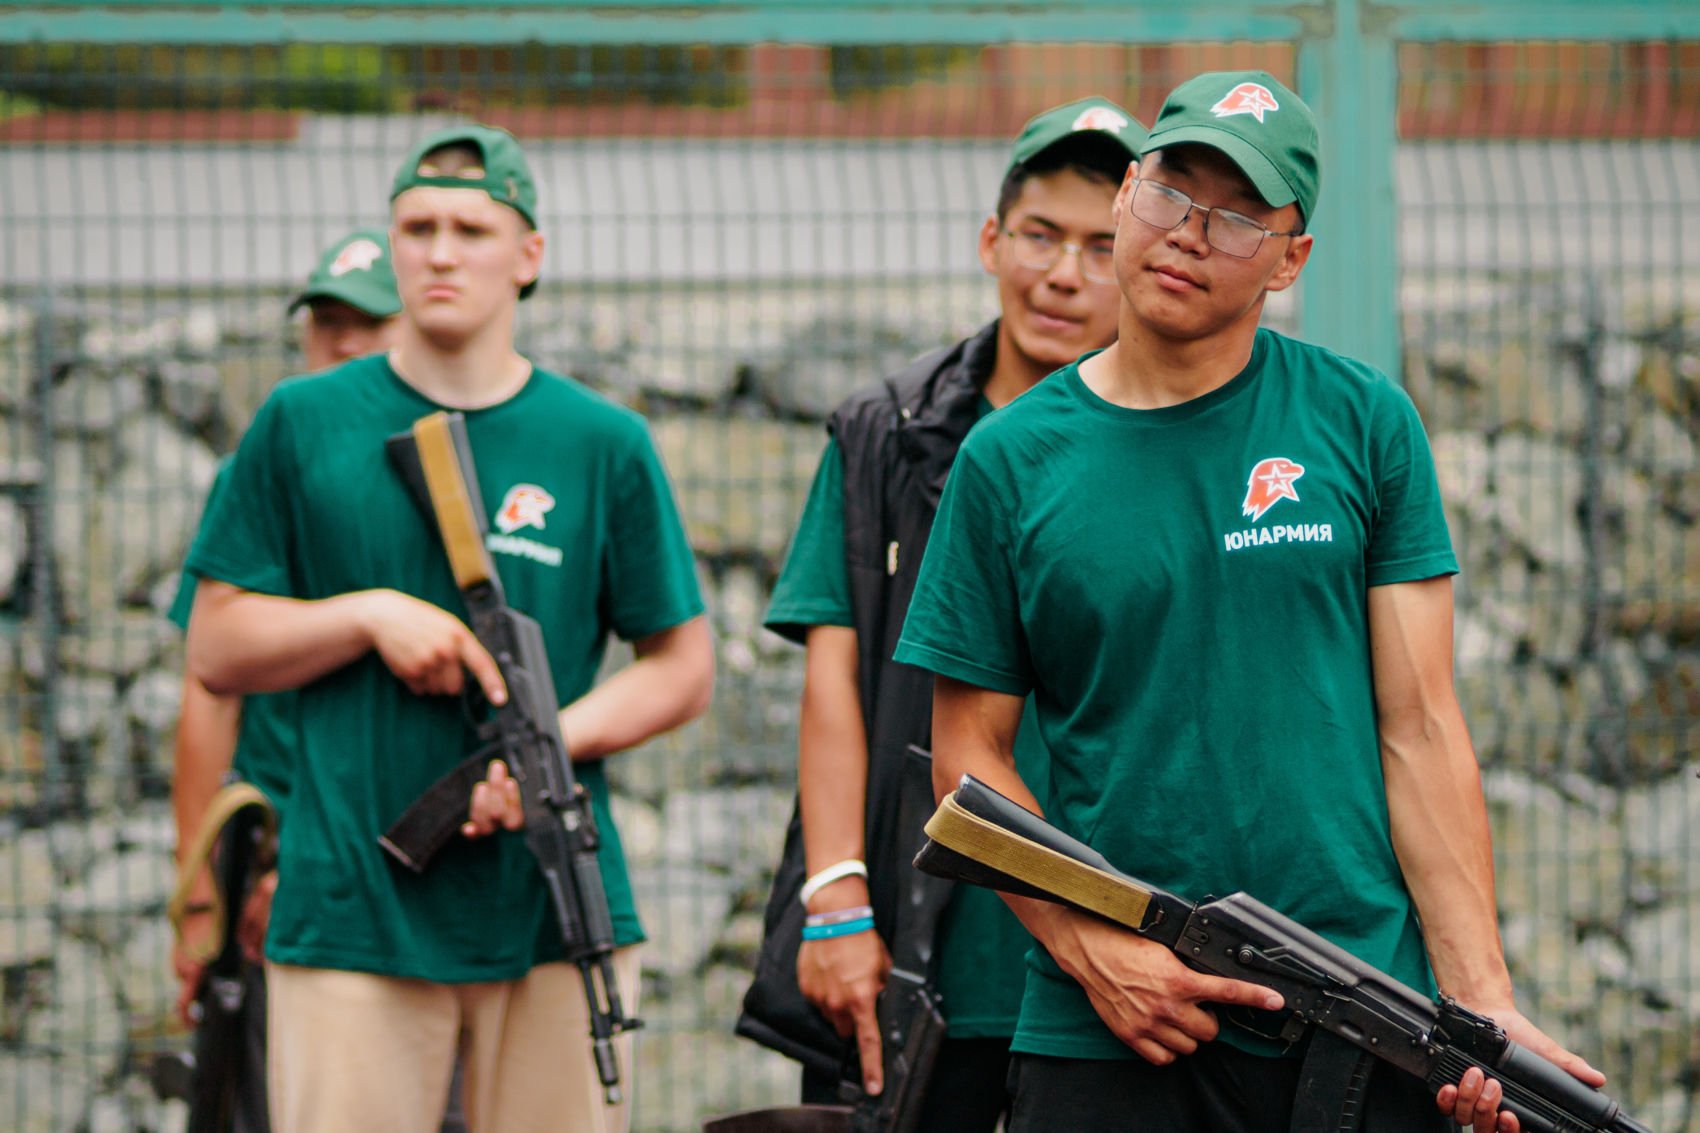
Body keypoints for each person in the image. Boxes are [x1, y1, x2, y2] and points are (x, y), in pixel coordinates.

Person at [892, 70, 1605, 1133]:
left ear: (1290, 259)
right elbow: (968, 759)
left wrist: (1479, 998)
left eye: (1235, 218)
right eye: (1169, 193)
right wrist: (1093, 950)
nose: (1187, 233)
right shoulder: (1007, 460)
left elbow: (1419, 725)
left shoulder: (1362, 421)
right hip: (1111, 1030)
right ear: (1128, 195)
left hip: (1361, 1009)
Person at [183, 124, 714, 1133]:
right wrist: (366, 616)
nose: (440, 252)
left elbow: (682, 666)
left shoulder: (601, 441)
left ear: (528, 255)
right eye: (417, 228)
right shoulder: (301, 420)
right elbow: (214, 645)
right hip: (350, 912)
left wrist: (549, 744)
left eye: (471, 230)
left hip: (552, 911)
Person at [755, 97, 1143, 1129]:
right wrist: (835, 894)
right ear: (990, 241)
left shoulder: (1171, 441)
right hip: (918, 937)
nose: (1063, 274)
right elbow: (834, 678)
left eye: (1101, 247)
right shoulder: (887, 430)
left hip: (1110, 944)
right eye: (1040, 235)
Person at [167, 226, 403, 1133]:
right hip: (273, 872)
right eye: (325, 321)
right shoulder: (260, 470)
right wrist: (202, 897)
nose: (341, 343)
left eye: (367, 323)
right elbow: (208, 685)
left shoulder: (464, 470)